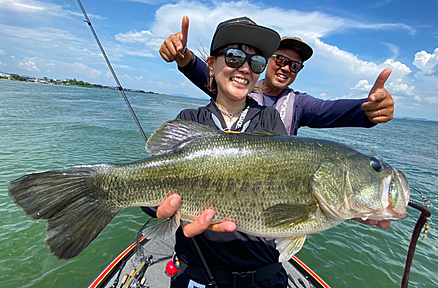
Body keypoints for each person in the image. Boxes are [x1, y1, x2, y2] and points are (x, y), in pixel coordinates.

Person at [159, 15, 396, 229]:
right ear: (268, 61)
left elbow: (331, 110)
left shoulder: (295, 105)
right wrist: (185, 59)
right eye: (280, 59)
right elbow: (217, 75)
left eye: (295, 66)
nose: (286, 68)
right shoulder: (240, 87)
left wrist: (368, 109)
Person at [143, 17, 290, 288]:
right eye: (235, 57)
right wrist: (159, 209)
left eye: (256, 61)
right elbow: (151, 190)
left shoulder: (271, 123)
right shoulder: (189, 119)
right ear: (211, 64)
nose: (245, 67)